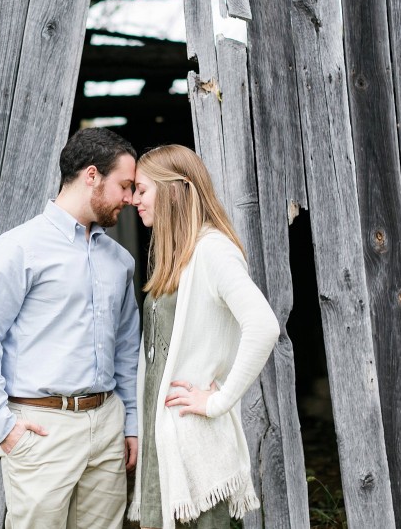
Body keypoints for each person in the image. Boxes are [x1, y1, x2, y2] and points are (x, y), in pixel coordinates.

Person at [0, 127, 141, 529]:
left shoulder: (119, 261)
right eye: (124, 186)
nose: (130, 198)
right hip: (41, 428)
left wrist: (130, 424)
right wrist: (2, 426)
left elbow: (127, 350)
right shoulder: (18, 249)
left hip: (107, 423)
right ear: (91, 176)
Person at [127, 144, 280, 529]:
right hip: (164, 439)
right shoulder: (179, 255)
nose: (133, 200)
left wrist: (219, 400)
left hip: (197, 446)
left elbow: (263, 326)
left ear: (173, 189)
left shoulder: (213, 251)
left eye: (142, 190)